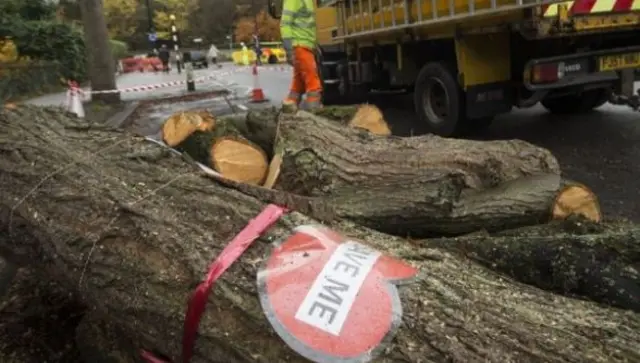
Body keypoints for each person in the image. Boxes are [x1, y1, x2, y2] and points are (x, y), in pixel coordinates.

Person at [281, 0, 322, 111]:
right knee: (313, 83)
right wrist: (289, 49)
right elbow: (285, 24)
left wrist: (314, 44)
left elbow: (309, 26)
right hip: (300, 45)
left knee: (297, 85)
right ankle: (314, 110)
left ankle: (289, 108)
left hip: (305, 45)